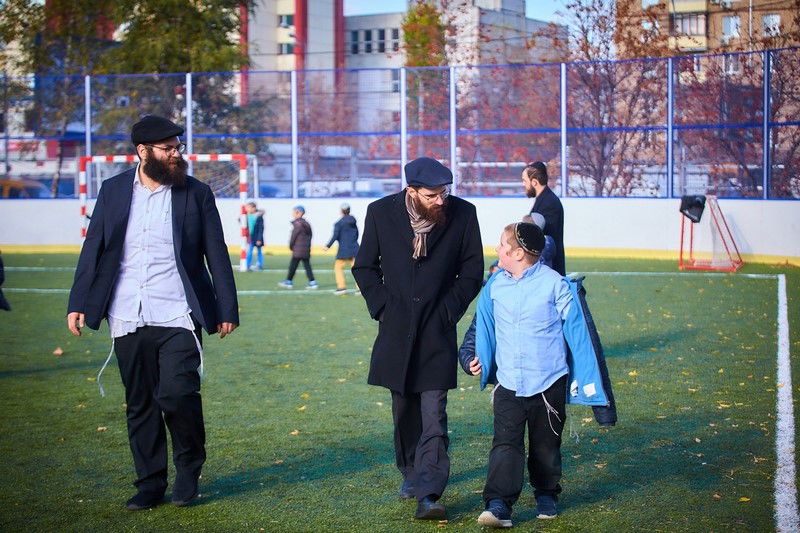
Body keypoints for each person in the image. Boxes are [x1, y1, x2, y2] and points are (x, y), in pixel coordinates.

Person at [66, 115, 239, 511]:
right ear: (143, 152)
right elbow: (93, 248)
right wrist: (78, 302)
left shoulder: (196, 193)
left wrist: (225, 307)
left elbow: (217, 253)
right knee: (141, 402)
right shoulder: (111, 191)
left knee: (177, 394)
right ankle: (149, 483)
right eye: (168, 149)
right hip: (126, 312)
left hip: (178, 313)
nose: (176, 154)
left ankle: (189, 469)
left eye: (178, 147)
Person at [352, 156, 484, 521]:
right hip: (395, 331)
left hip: (437, 332)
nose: (441, 200)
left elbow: (472, 271)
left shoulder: (463, 213)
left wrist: (447, 313)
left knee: (433, 414)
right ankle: (410, 472)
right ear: (411, 191)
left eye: (445, 192)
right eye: (432, 195)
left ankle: (429, 492)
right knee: (403, 410)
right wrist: (383, 309)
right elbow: (364, 266)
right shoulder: (380, 212)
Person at [466, 222, 615, 528]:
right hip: (508, 383)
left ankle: (546, 493)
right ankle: (498, 505)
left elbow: (577, 332)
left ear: (518, 253)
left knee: (545, 445)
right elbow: (480, 326)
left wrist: (589, 383)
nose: (496, 250)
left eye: (502, 246)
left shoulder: (554, 284)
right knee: (505, 444)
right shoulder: (495, 284)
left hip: (549, 382)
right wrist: (470, 357)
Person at [522, 161, 565, 276]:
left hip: (550, 268)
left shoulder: (549, 202)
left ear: (534, 182)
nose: (524, 185)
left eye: (525, 181)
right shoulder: (544, 199)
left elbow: (544, 236)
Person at [322, 202, 359, 295]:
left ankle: (341, 287)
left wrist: (328, 246)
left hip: (343, 249)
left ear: (341, 212)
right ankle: (360, 289)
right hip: (355, 248)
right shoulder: (353, 221)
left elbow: (335, 236)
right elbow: (357, 234)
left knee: (338, 268)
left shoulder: (338, 223)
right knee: (357, 269)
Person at [278, 205, 317, 289]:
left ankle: (289, 281)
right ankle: (313, 282)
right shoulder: (307, 223)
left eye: (294, 211)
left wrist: (291, 246)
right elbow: (310, 236)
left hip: (298, 249)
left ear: (298, 213)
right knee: (307, 266)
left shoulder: (298, 224)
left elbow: (293, 237)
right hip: (305, 249)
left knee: (293, 266)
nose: (293, 213)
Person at [245, 201, 264, 271]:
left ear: (253, 208)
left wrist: (259, 239)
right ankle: (247, 265)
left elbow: (261, 229)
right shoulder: (246, 216)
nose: (247, 209)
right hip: (250, 237)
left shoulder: (259, 217)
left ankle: (260, 264)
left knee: (259, 251)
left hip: (257, 237)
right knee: (249, 251)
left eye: (249, 208)